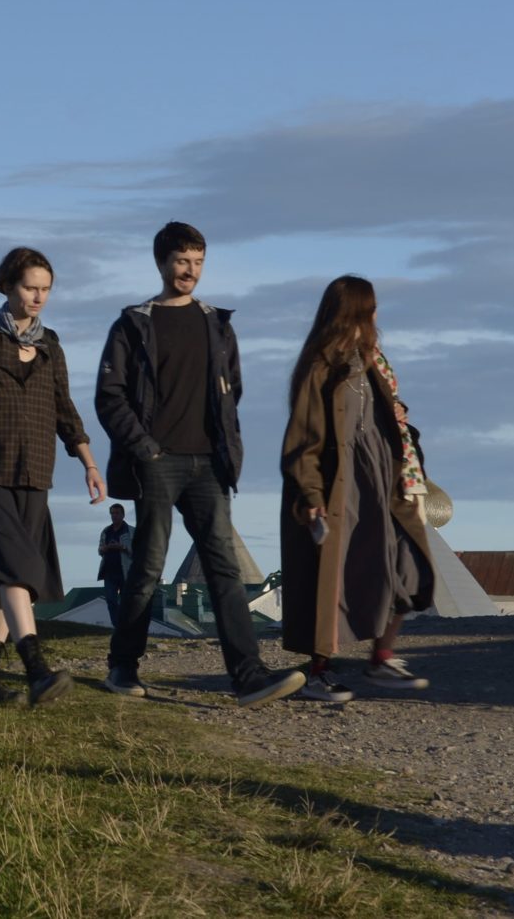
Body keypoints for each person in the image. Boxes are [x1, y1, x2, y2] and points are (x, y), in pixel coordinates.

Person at [93, 223, 304, 707]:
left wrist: (226, 450)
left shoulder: (217, 324)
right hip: (156, 462)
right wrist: (145, 448)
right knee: (146, 568)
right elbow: (110, 397)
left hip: (209, 464)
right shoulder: (133, 323)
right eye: (182, 261)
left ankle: (248, 676)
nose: (190, 271)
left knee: (223, 568)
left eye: (198, 262)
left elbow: (233, 391)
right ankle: (122, 667)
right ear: (162, 263)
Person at [0, 246, 106, 706]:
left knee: (2, 584)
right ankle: (36, 668)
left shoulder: (52, 347)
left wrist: (89, 463)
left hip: (34, 475)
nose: (38, 297)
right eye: (30, 287)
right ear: (9, 286)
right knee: (17, 572)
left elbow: (65, 411)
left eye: (45, 289)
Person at [277, 274, 436, 705]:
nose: (376, 317)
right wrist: (310, 495)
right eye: (370, 309)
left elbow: (394, 422)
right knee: (331, 583)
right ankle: (318, 673)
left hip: (388, 486)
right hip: (341, 489)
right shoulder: (322, 366)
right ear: (356, 313)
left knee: (407, 567)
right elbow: (303, 438)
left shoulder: (374, 363)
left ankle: (381, 655)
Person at [96, 503, 133, 628]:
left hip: (125, 572)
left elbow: (138, 552)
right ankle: (117, 626)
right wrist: (106, 548)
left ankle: (125, 626)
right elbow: (100, 550)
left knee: (126, 602)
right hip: (109, 571)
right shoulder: (106, 531)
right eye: (112, 513)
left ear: (123, 515)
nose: (114, 516)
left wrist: (122, 547)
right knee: (111, 600)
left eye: (117, 513)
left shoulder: (131, 531)